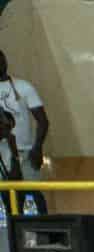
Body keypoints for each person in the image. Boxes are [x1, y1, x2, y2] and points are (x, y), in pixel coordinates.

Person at [0, 50, 49, 206]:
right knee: (8, 199)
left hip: (26, 153)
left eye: (1, 59)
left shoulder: (23, 86)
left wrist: (37, 148)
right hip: (2, 155)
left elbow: (43, 121)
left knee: (35, 196)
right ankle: (14, 223)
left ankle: (42, 223)